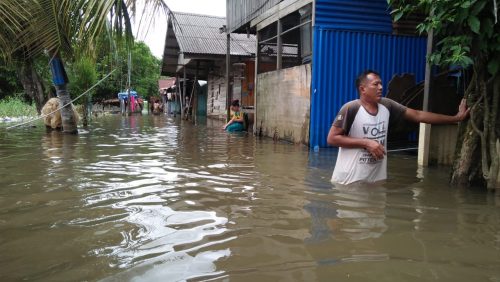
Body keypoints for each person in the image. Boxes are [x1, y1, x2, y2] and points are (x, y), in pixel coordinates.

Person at [327, 70, 469, 185]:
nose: (381, 88)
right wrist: (366, 143)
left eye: (381, 84)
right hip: (349, 183)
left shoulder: (387, 105)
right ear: (362, 89)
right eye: (376, 84)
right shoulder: (351, 108)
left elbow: (418, 115)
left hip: (376, 182)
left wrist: (456, 118)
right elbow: (332, 138)